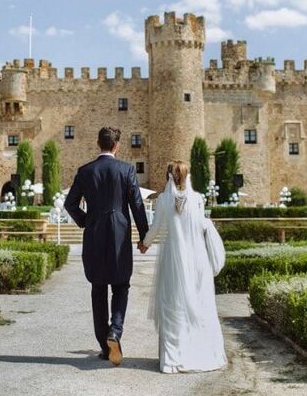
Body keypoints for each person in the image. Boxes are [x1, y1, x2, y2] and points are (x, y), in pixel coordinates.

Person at [63, 126, 149, 366]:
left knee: (98, 288)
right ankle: (115, 331)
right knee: (121, 284)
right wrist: (144, 236)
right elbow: (137, 205)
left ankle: (104, 345)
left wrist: (85, 220)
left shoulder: (85, 171)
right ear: (116, 145)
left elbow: (70, 204)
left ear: (98, 143)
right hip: (120, 235)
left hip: (94, 234)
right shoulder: (126, 169)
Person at [138, 161, 227, 374]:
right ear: (187, 177)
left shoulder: (164, 199)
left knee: (172, 305)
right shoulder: (197, 199)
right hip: (197, 259)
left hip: (172, 258)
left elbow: (157, 227)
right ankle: (202, 353)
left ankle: (172, 360)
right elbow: (201, 225)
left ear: (169, 176)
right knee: (199, 303)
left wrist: (144, 244)